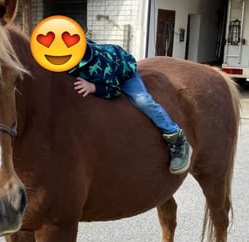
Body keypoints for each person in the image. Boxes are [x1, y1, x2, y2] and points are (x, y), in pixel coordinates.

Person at [68, 39, 191, 174]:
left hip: (122, 72)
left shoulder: (99, 64)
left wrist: (94, 88)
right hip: (95, 68)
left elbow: (115, 90)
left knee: (142, 100)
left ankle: (175, 137)